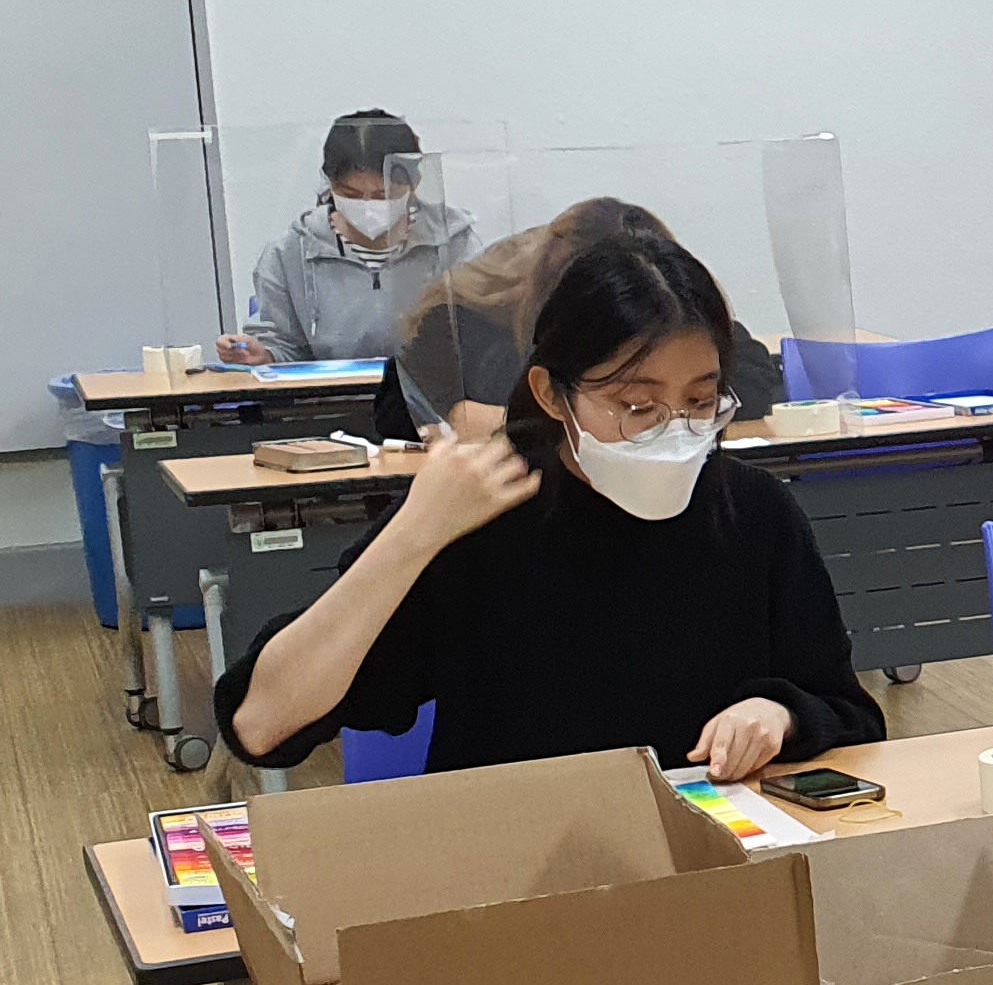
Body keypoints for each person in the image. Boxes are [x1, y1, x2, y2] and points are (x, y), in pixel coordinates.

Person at [217, 220, 880, 781]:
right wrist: (413, 534)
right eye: (636, 406)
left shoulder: (753, 512)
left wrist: (778, 713)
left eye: (701, 401)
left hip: (712, 859)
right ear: (551, 394)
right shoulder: (483, 517)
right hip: (517, 860)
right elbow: (262, 724)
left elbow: (845, 707)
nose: (674, 431)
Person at [393, 200, 785, 441]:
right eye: (636, 403)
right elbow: (411, 407)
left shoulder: (668, 292)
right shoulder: (473, 321)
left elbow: (751, 376)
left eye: (697, 401)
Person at [226, 110, 480, 390]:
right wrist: (263, 355)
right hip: (329, 402)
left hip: (435, 400)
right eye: (351, 195)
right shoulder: (289, 254)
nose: (369, 207)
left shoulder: (454, 243)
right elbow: (283, 345)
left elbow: (483, 333)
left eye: (384, 195)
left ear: (414, 183)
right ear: (330, 185)